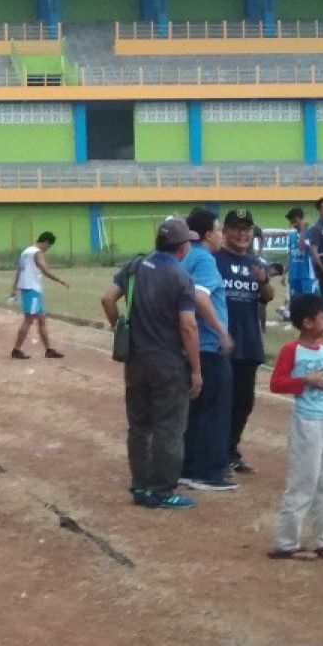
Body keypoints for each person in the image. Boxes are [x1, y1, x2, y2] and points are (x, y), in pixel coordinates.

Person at [101, 218, 202, 510]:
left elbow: (107, 299)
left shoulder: (135, 267)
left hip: (135, 359)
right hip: (168, 362)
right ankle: (163, 490)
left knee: (139, 426)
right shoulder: (181, 278)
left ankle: (141, 486)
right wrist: (196, 370)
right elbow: (188, 328)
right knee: (169, 428)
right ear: (183, 248)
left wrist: (119, 326)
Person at [268, 293, 323, 561]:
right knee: (304, 480)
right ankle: (286, 541)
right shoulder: (292, 349)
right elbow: (276, 383)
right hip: (307, 420)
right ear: (308, 322)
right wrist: (305, 381)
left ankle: (322, 539)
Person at [178, 208, 239, 492]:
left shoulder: (184, 258)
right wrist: (222, 331)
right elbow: (201, 298)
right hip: (208, 346)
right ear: (206, 235)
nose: (220, 234)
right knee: (215, 409)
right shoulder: (204, 260)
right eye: (217, 229)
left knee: (195, 409)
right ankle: (207, 471)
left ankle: (188, 467)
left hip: (188, 346)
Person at [215, 210, 274, 475]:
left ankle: (230, 450)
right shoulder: (214, 261)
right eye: (237, 229)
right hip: (220, 343)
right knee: (218, 402)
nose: (242, 234)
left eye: (247, 229)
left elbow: (267, 297)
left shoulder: (256, 263)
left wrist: (262, 281)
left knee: (243, 402)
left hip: (248, 342)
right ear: (225, 232)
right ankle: (214, 453)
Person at [10, 231, 69, 360]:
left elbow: (19, 270)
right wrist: (60, 280)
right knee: (29, 320)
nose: (48, 250)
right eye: (49, 246)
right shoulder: (37, 252)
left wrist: (14, 288)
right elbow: (45, 270)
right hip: (32, 290)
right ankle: (16, 349)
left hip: (28, 289)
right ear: (46, 242)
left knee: (41, 319)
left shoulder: (26, 252)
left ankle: (48, 349)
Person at [285, 207, 319, 300]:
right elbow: (290, 255)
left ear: (302, 218)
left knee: (309, 303)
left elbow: (301, 247)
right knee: (295, 303)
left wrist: (303, 229)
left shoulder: (311, 233)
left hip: (306, 276)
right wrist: (285, 273)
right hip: (294, 276)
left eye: (295, 221)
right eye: (292, 222)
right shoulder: (292, 236)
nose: (294, 224)